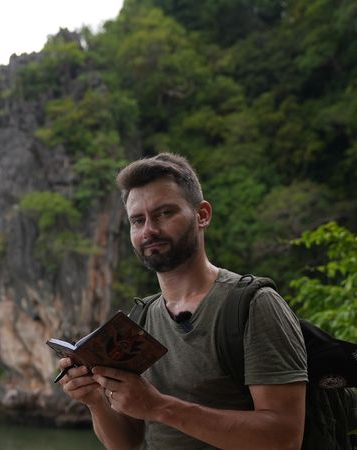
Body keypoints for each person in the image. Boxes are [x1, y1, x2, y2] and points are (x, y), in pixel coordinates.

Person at [58, 153, 308, 449]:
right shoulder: (140, 321)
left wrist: (161, 408)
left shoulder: (254, 306)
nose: (149, 230)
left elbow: (285, 437)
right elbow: (127, 443)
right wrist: (95, 402)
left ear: (202, 215)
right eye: (138, 220)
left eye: (165, 213)